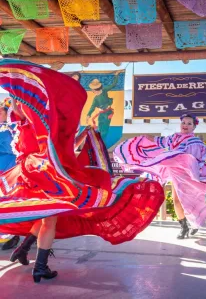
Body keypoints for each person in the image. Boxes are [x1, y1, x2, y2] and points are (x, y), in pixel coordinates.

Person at [0, 60, 164, 283]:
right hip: (43, 172)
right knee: (50, 217)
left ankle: (25, 251)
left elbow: (64, 145)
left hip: (32, 172)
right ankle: (39, 267)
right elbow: (27, 110)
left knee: (47, 214)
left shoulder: (33, 126)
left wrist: (84, 133)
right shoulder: (34, 123)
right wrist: (17, 80)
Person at [115, 113, 206, 239]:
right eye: (183, 122)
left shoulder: (194, 142)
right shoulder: (174, 138)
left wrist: (184, 163)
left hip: (189, 175)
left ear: (193, 127)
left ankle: (195, 222)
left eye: (189, 123)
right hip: (175, 174)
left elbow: (193, 159)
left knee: (197, 198)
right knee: (176, 200)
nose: (185, 125)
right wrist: (144, 138)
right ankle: (184, 227)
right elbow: (159, 141)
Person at [0, 98, 20, 251]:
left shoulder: (12, 128)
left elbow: (13, 147)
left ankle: (14, 234)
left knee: (12, 201)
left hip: (10, 171)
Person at [86, 71, 121, 143]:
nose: (93, 91)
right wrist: (88, 115)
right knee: (100, 129)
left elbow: (113, 85)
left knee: (104, 131)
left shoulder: (104, 90)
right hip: (101, 114)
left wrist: (116, 76)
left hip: (108, 113)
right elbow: (92, 107)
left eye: (93, 90)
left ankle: (103, 144)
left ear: (96, 89)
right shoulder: (95, 98)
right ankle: (100, 143)